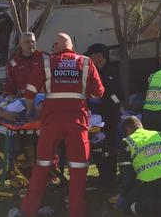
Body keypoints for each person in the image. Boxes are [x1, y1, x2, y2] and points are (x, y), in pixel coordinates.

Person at [13, 33, 104, 217]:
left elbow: (30, 93)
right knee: (78, 168)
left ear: (55, 46)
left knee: (42, 166)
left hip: (50, 121)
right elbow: (98, 93)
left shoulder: (45, 63)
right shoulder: (86, 62)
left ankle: (28, 210)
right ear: (72, 46)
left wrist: (30, 111)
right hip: (77, 122)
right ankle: (77, 212)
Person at [115, 116, 161, 216]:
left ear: (127, 129)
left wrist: (124, 195)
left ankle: (152, 206)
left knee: (127, 207)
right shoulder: (160, 134)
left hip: (149, 181)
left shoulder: (127, 142)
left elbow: (127, 176)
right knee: (160, 191)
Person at [85, 43, 123, 188]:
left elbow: (119, 96)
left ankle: (110, 178)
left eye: (91, 54)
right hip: (95, 118)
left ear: (99, 55)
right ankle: (103, 175)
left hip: (109, 118)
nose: (89, 57)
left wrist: (108, 103)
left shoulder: (111, 72)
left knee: (109, 148)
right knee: (96, 147)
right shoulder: (94, 72)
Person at [4, 32, 44, 97]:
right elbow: (10, 85)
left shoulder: (44, 58)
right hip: (23, 100)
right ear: (21, 44)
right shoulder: (14, 62)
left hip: (42, 98)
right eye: (28, 42)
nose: (31, 44)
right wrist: (7, 97)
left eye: (33, 42)